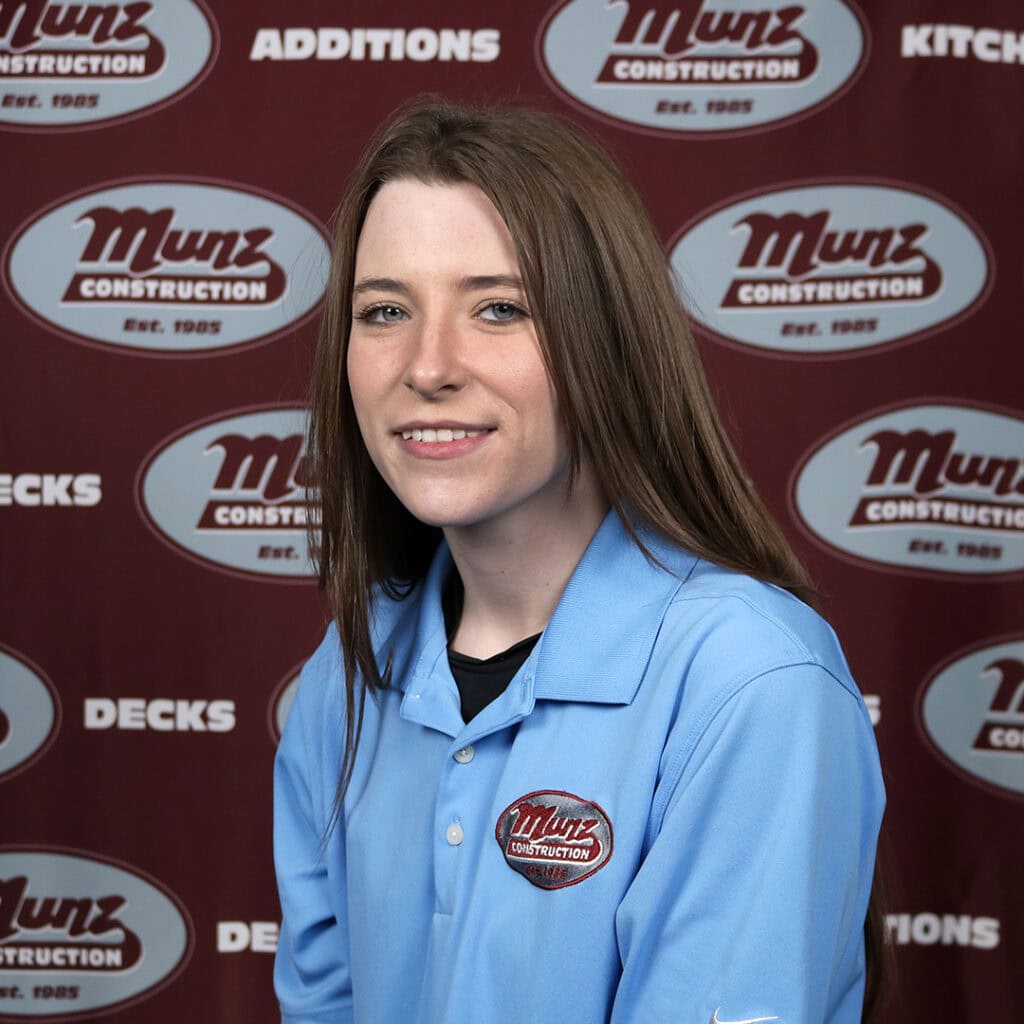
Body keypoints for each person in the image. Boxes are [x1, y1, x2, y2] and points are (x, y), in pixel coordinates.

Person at [274, 97, 886, 1024]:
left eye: (499, 308)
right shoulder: (352, 668)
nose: (427, 367)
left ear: (607, 342)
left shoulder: (748, 683)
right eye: (386, 310)